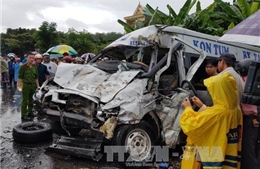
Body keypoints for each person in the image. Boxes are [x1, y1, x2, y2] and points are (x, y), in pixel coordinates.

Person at [180, 71, 242, 169]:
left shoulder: (218, 113)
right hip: (227, 153)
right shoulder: (235, 109)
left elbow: (191, 125)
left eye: (213, 89)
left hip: (215, 155)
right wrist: (202, 106)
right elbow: (216, 118)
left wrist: (188, 109)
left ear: (220, 91)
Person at [236, 59, 259, 169]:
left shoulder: (247, 83)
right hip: (249, 119)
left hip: (250, 119)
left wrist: (258, 118)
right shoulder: (250, 82)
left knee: (247, 150)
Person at [17, 52, 40, 120]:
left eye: (33, 58)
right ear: (27, 58)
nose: (31, 59)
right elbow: (20, 77)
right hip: (26, 85)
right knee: (25, 100)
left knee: (31, 100)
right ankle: (24, 114)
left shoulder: (34, 67)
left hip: (33, 85)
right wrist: (19, 86)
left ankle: (30, 112)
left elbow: (36, 78)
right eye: (30, 57)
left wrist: (38, 86)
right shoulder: (23, 67)